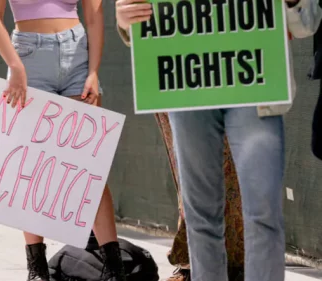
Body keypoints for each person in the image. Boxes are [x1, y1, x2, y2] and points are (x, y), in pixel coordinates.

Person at [115, 0, 322, 280]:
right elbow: (138, 19)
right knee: (201, 216)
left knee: (263, 212)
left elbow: (306, 24)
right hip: (186, 85)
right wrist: (126, 22)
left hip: (256, 83)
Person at [0, 1, 126, 280]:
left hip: (77, 54)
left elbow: (95, 17)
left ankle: (114, 267)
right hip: (28, 57)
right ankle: (36, 267)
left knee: (89, 168)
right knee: (31, 165)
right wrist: (15, 66)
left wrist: (93, 71)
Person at [156, 113, 244, 281]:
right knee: (186, 167)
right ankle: (192, 266)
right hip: (171, 92)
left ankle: (236, 265)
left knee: (226, 158)